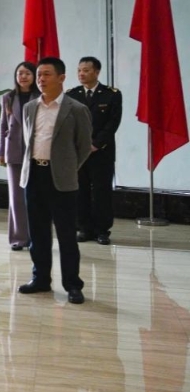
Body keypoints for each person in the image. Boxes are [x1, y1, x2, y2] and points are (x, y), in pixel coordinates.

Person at [18, 57, 92, 304]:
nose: (41, 79)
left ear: (61, 78)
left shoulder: (76, 109)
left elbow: (83, 147)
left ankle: (72, 284)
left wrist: (67, 168)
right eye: (39, 75)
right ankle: (40, 279)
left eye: (46, 74)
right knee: (38, 233)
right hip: (34, 176)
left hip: (61, 179)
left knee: (67, 234)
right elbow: (28, 141)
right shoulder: (30, 107)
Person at [66, 56, 122, 246]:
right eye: (79, 70)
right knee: (79, 190)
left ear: (97, 72)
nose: (81, 74)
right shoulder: (72, 95)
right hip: (78, 152)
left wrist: (96, 144)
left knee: (101, 191)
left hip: (102, 152)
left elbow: (113, 123)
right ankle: (84, 228)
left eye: (86, 70)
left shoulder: (111, 94)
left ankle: (102, 230)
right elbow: (68, 123)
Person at [0, 62, 38, 251]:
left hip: (35, 151)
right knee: (16, 198)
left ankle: (36, 238)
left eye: (27, 73)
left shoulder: (40, 96)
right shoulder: (8, 97)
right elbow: (3, 125)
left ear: (34, 76)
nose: (23, 77)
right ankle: (18, 238)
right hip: (13, 150)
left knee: (34, 196)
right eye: (20, 73)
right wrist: (1, 151)